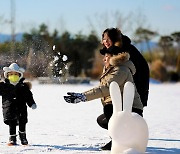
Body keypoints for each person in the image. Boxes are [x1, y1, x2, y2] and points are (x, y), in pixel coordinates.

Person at [64, 46, 143, 150]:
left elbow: (106, 88)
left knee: (109, 109)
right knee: (102, 120)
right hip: (123, 107)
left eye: (106, 56)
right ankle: (124, 137)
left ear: (114, 58)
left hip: (132, 110)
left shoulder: (121, 70)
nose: (103, 59)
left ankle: (119, 140)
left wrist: (83, 96)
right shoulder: (111, 69)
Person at [100, 28, 149, 107]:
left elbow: (133, 73)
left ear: (115, 39)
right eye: (104, 39)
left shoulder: (125, 51)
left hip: (135, 91)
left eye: (108, 39)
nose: (105, 41)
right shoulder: (111, 52)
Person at [0, 63, 37, 146]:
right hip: (9, 108)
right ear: (7, 75)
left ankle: (23, 136)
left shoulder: (23, 87)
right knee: (12, 123)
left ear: (19, 75)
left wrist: (32, 103)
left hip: (21, 108)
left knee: (22, 122)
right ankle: (12, 137)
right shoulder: (4, 87)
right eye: (11, 74)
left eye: (16, 74)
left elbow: (28, 96)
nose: (13, 76)